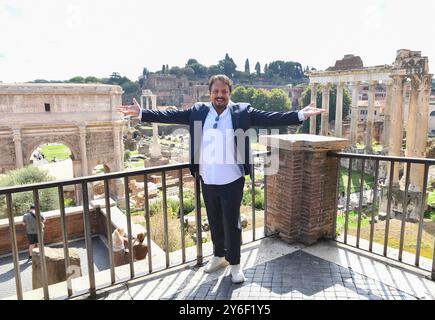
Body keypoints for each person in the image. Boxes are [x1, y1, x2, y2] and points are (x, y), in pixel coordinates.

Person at [117, 74, 325, 283]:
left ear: (229, 93)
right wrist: (142, 113)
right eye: (216, 91)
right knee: (215, 221)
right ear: (210, 94)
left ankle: (235, 264)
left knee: (231, 223)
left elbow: (270, 117)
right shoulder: (198, 111)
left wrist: (300, 114)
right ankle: (218, 256)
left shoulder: (242, 111)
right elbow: (171, 116)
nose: (219, 95)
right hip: (207, 178)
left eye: (224, 92)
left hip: (232, 179)